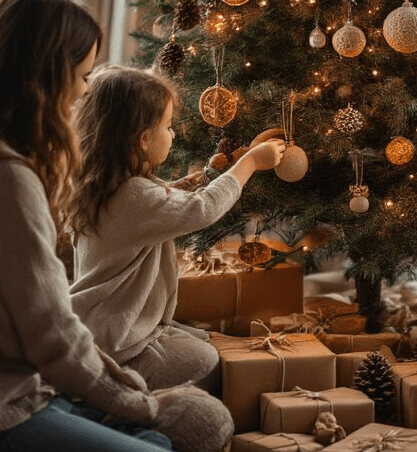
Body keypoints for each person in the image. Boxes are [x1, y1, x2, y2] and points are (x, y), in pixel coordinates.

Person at [0, 0, 229, 452]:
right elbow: (52, 338)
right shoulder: (6, 179)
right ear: (49, 74)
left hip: (25, 395)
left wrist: (128, 403)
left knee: (155, 447)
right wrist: (136, 401)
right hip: (0, 418)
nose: (85, 88)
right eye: (82, 72)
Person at [69, 65, 285, 390]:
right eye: (168, 127)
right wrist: (249, 163)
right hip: (116, 339)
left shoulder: (110, 185)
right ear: (143, 139)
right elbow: (201, 208)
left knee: (205, 339)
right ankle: (111, 387)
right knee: (206, 360)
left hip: (107, 323)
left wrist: (209, 175)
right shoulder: (133, 196)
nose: (173, 134)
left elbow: (164, 197)